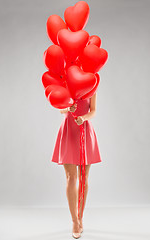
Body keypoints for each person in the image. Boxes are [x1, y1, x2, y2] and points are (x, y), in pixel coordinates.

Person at [51, 92, 102, 239]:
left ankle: (80, 217)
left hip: (84, 129)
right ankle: (74, 221)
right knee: (70, 177)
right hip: (68, 130)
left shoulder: (91, 86)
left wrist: (83, 118)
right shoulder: (66, 86)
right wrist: (68, 109)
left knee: (83, 177)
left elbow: (93, 110)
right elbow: (60, 109)